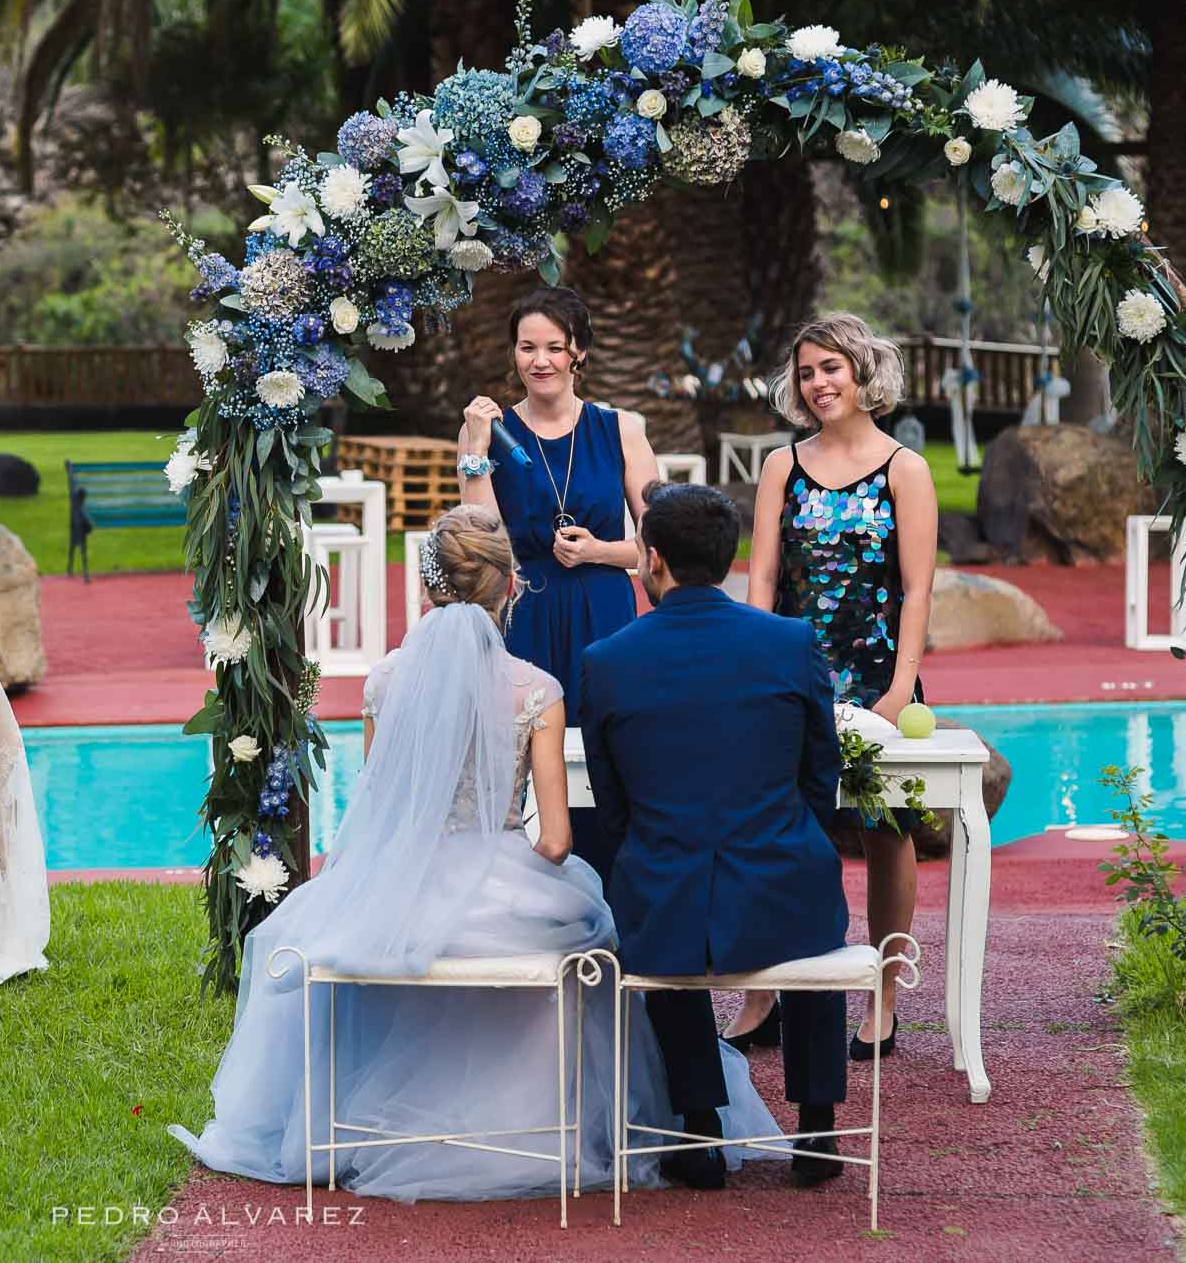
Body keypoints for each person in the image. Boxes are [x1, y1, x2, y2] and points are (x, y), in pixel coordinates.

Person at [170, 505, 775, 1200]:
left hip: (404, 888)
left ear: (429, 586)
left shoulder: (384, 682)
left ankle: (374, 1119)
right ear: (510, 586)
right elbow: (557, 840)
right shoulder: (536, 690)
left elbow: (379, 812)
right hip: (505, 885)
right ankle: (551, 1120)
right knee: (593, 939)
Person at [578, 482, 851, 1189]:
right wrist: (791, 839)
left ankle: (698, 1128)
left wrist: (657, 847)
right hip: (784, 884)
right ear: (728, 560)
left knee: (657, 892)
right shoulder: (791, 642)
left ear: (653, 558)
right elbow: (821, 772)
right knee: (814, 889)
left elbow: (612, 802)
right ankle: (817, 1122)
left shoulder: (607, 660)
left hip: (665, 889)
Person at [726, 313, 937, 1061]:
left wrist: (900, 689)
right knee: (773, 829)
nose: (818, 383)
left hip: (879, 677)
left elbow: (917, 589)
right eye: (807, 371)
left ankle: (883, 996)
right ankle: (764, 994)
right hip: (789, 676)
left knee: (887, 831)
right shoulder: (782, 466)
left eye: (831, 368)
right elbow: (761, 578)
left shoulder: (905, 469)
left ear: (863, 371)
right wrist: (754, 668)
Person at [458, 288, 658, 864]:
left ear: (579, 353)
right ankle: (521, 882)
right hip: (524, 612)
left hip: (604, 610)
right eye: (527, 347)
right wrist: (476, 448)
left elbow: (659, 547)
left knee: (606, 749)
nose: (540, 360)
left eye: (553, 347)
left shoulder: (620, 429)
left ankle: (609, 882)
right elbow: (479, 539)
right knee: (514, 753)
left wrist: (599, 550)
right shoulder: (487, 431)